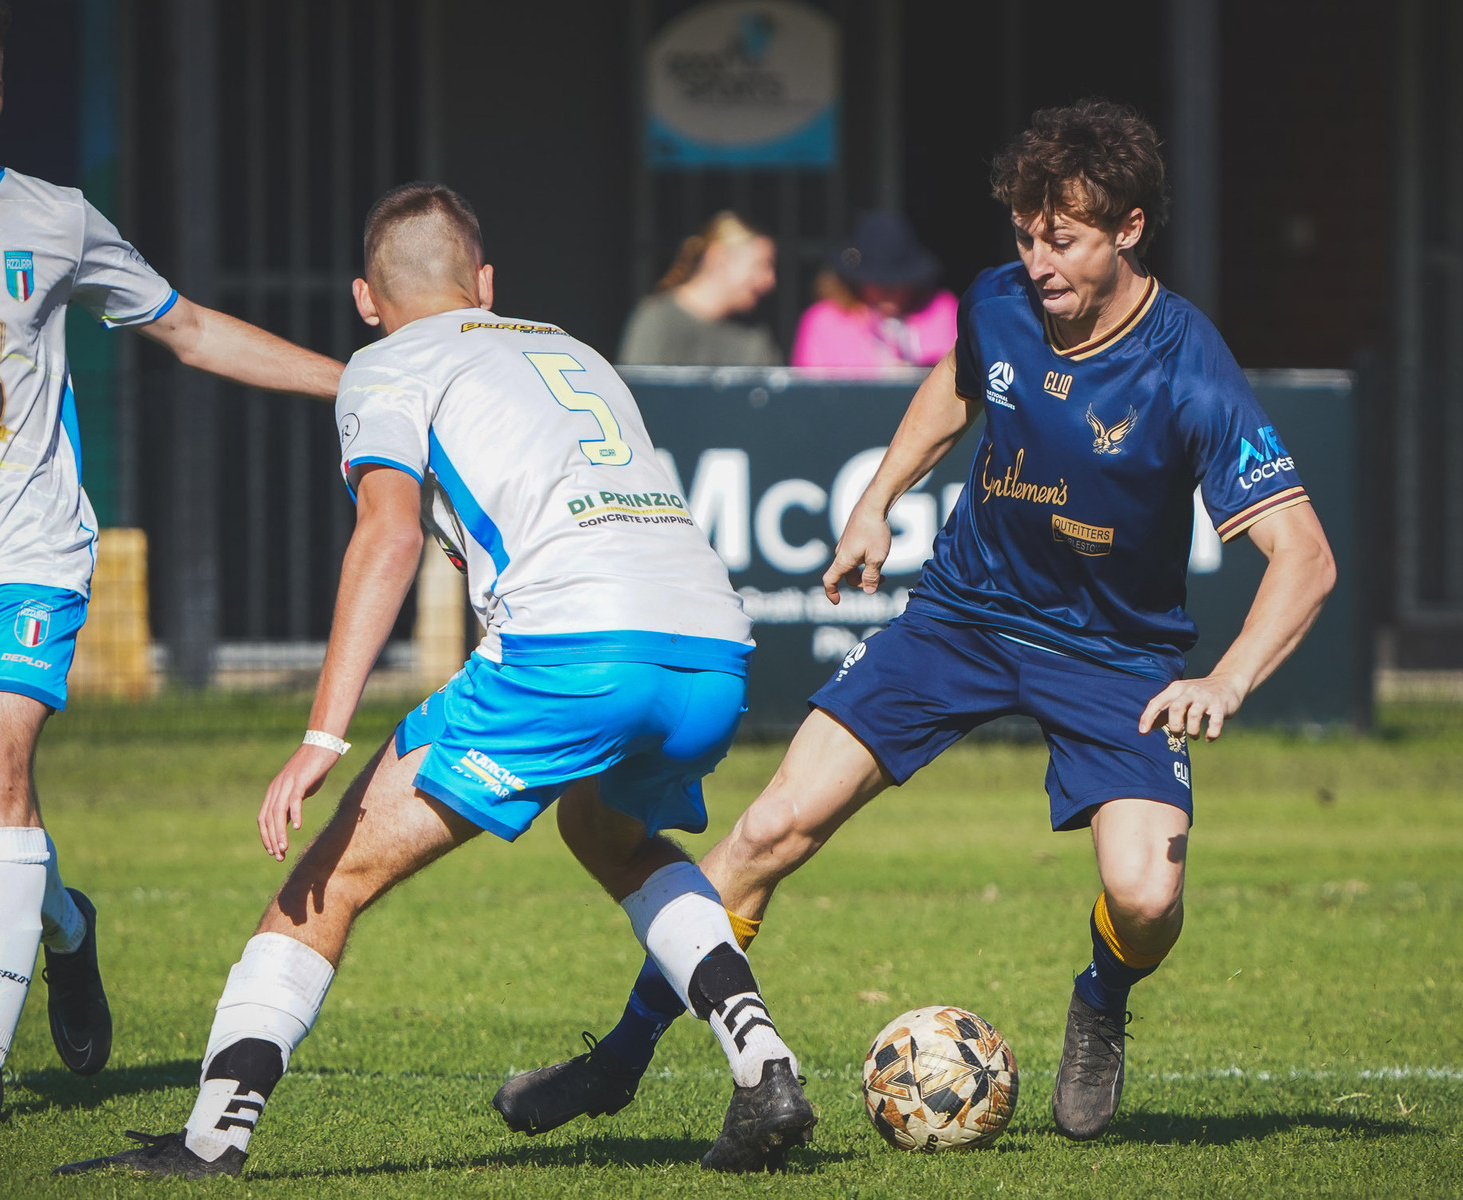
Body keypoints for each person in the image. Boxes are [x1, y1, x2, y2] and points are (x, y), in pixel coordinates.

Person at [494, 100, 1338, 1144]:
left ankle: (1100, 1000)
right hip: (960, 616)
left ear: (1127, 230)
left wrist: (1226, 680)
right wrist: (874, 501)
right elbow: (953, 385)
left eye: (1063, 240)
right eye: (1025, 237)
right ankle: (617, 1061)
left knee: (1145, 899)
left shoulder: (1188, 366)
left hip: (1114, 656)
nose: (1037, 262)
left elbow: (1303, 557)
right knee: (766, 830)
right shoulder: (997, 301)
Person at [54, 183, 816, 1179]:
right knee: (606, 832)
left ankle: (210, 1140)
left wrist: (322, 736)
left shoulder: (386, 363)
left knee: (328, 879)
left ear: (366, 299)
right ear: (484, 283)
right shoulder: (570, 347)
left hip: (572, 659)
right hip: (711, 655)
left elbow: (388, 534)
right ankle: (762, 1057)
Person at [0, 0, 346, 1123]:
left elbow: (189, 327)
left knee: (3, 767)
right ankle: (69, 931)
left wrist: (352, 382)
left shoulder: (54, 217)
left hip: (32, 550)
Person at [790, 210, 958, 372]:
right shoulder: (823, 321)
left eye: (898, 281)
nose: (888, 290)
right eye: (877, 282)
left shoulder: (942, 310)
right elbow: (810, 394)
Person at [618, 211, 781, 366]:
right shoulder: (657, 320)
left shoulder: (755, 336)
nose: (769, 281)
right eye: (761, 265)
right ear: (720, 258)